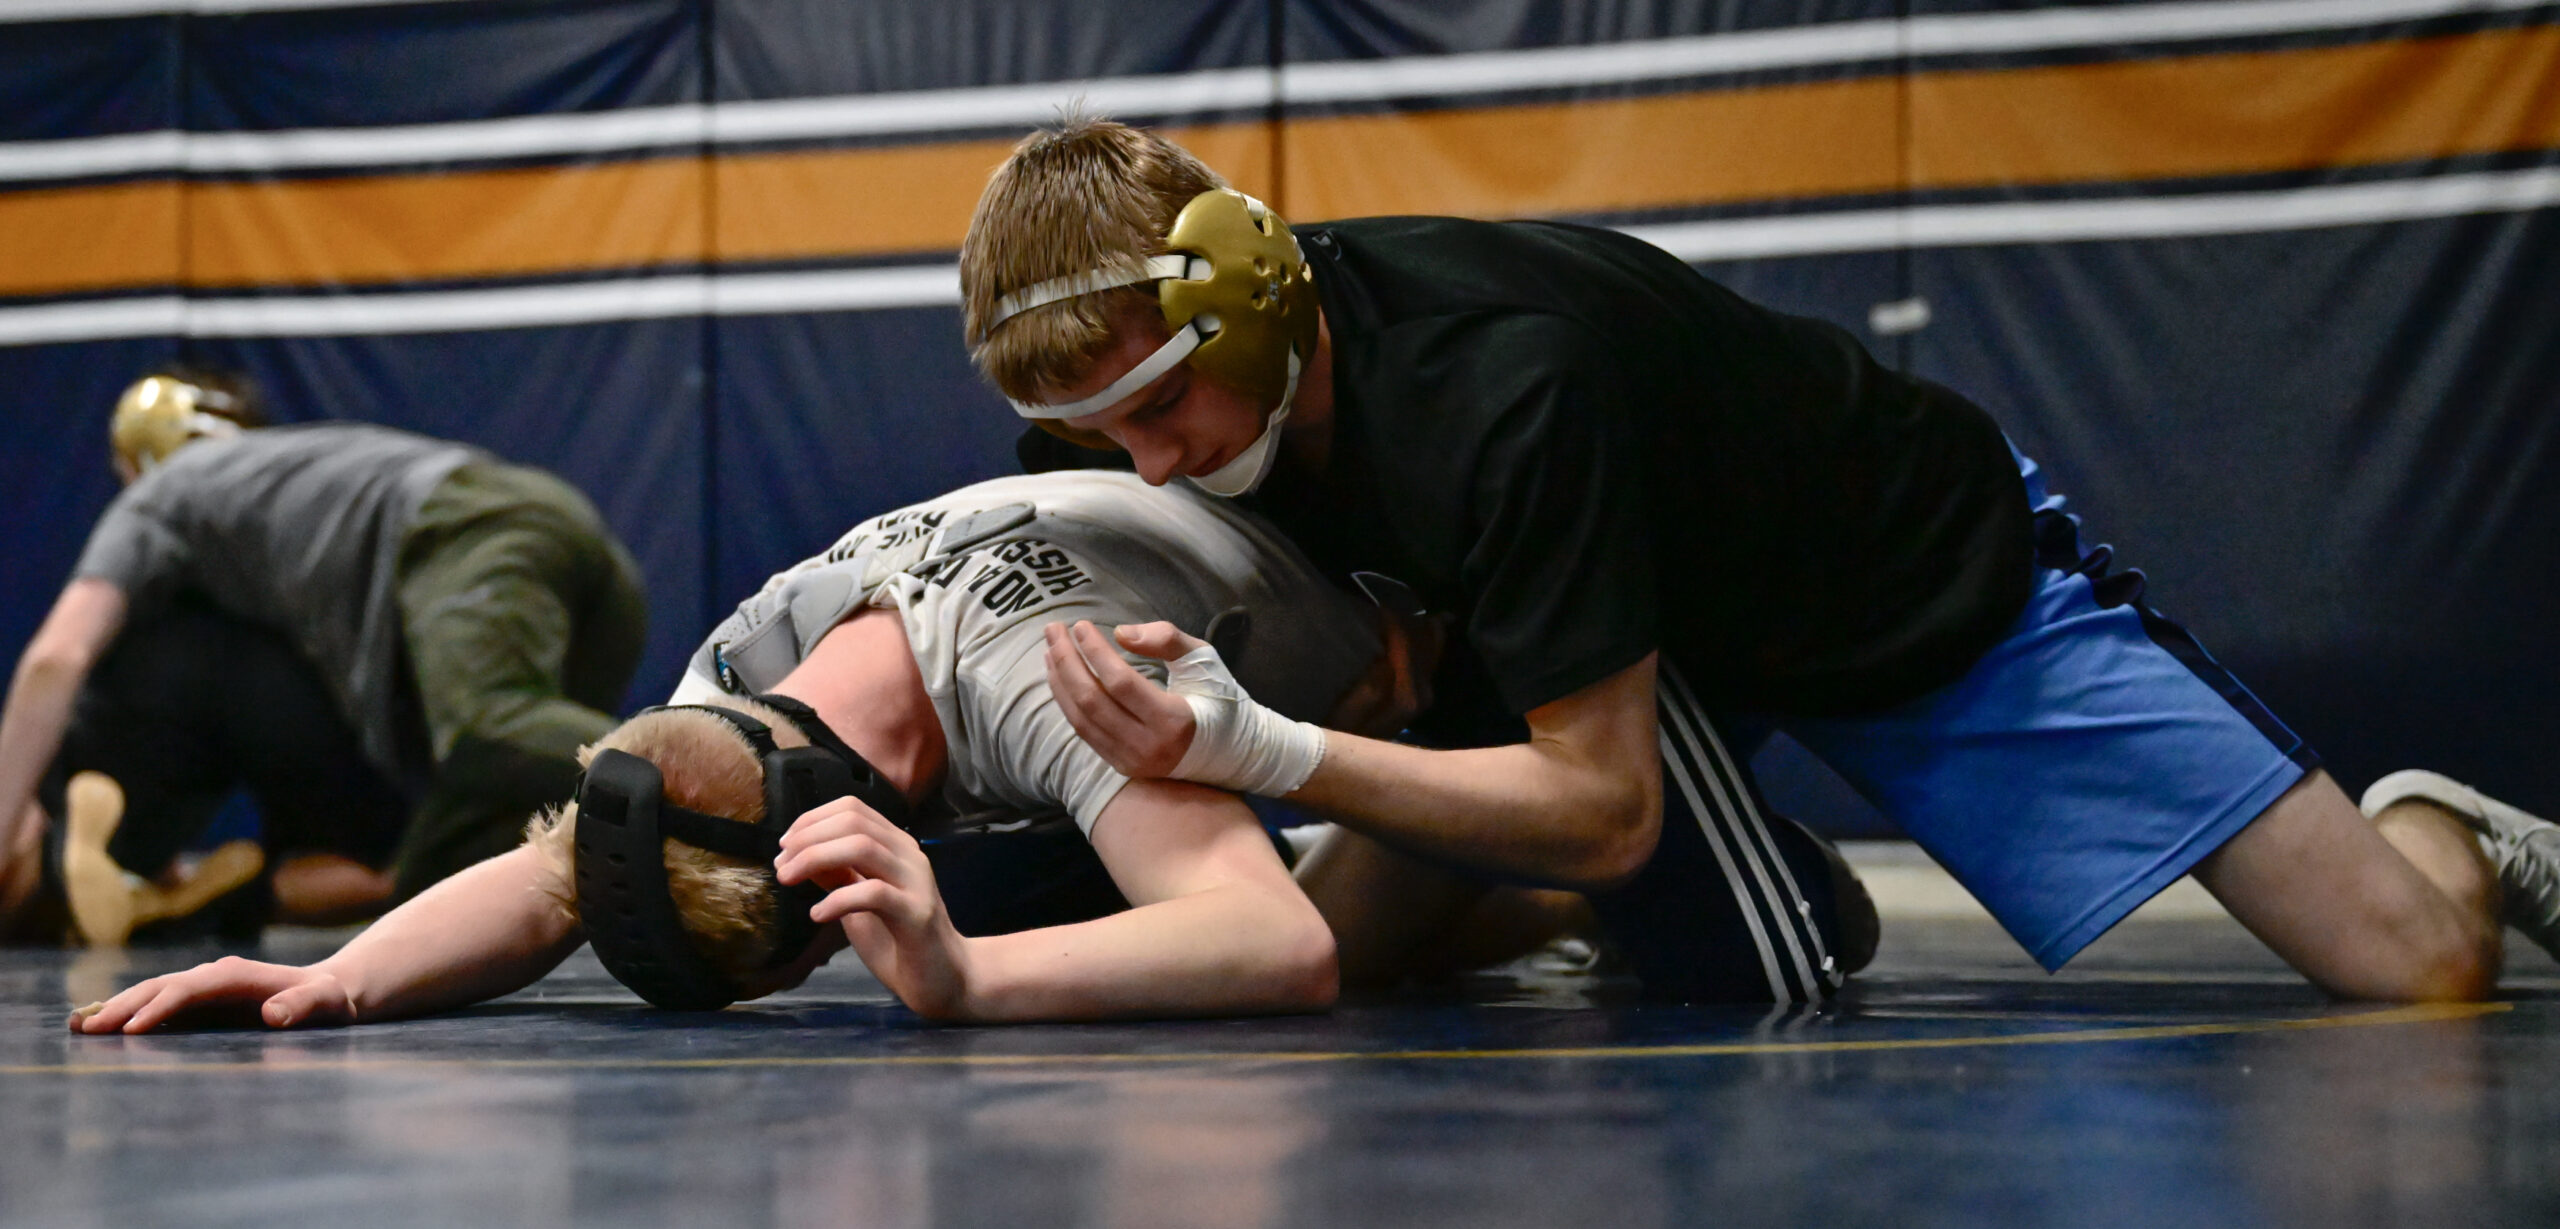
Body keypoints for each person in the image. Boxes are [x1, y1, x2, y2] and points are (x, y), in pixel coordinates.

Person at [959, 115, 2560, 1003]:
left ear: (1246, 299)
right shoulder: (1143, 425)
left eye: (1158, 408)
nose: (1145, 464)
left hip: (1895, 585)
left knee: (2415, 966)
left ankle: (2440, 824)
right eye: (1097, 434)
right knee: (1322, 963)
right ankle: (1597, 905)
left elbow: (1602, 801)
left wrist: (1267, 747)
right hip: (1621, 640)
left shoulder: (1499, 384)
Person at [69, 470, 1390, 1031]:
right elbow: (557, 872)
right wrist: (337, 982)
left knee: (979, 924)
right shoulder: (738, 683)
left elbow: (1282, 945)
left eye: (800, 958)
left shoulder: (1051, 677)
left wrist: (968, 979)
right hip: (1164, 580)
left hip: (1410, 654)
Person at [0, 369, 646, 944]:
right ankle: (171, 900)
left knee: (493, 729)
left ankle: (687, 766)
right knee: (444, 866)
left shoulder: (160, 494)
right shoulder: (278, 486)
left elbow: (59, 656)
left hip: (476, 530)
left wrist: (6, 818)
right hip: (583, 563)